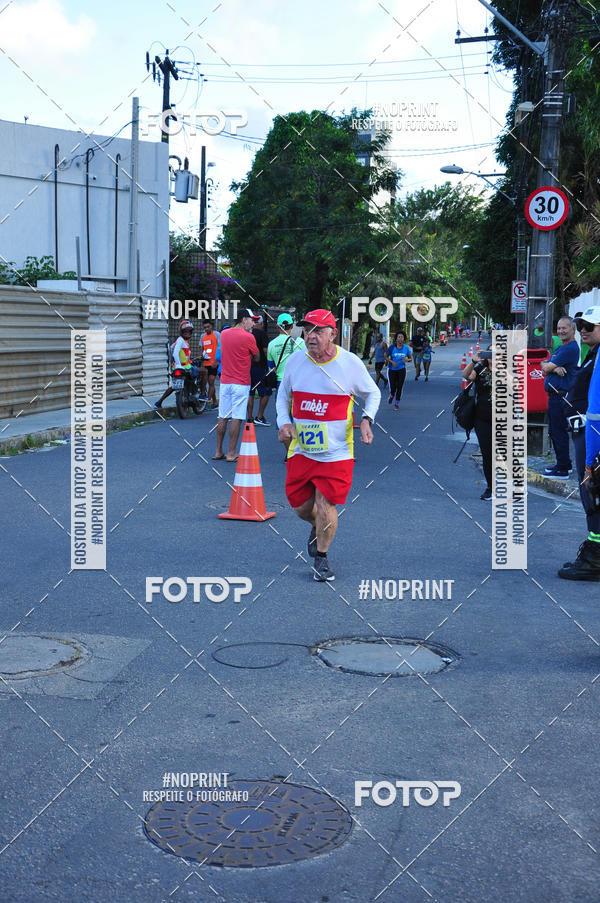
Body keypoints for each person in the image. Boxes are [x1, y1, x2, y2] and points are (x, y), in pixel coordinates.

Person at [276, 309, 380, 582]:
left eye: (318, 331)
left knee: (325, 504)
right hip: (301, 449)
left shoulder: (349, 364)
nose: (310, 336)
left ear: (333, 334)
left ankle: (321, 557)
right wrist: (283, 422)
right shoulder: (296, 362)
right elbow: (282, 396)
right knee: (300, 507)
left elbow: (373, 393)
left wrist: (367, 420)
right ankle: (318, 527)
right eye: (307, 330)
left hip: (336, 453)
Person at [558, 308, 600, 580]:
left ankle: (594, 558)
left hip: (593, 438)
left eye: (589, 326)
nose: (583, 329)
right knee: (592, 495)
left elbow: (595, 409)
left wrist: (591, 458)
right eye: (580, 325)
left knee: (593, 493)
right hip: (586, 435)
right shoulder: (593, 354)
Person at [213, 309, 260, 462]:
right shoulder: (249, 337)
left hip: (225, 382)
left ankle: (218, 451)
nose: (253, 323)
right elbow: (257, 357)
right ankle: (231, 452)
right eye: (252, 320)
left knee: (223, 416)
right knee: (237, 417)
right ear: (244, 319)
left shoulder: (224, 334)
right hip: (241, 383)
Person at [541, 316, 580, 479]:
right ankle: (562, 464)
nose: (561, 331)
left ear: (573, 330)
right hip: (555, 395)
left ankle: (563, 468)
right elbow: (544, 365)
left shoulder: (569, 348)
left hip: (561, 396)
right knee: (555, 431)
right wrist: (554, 368)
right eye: (559, 328)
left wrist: (550, 367)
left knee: (559, 432)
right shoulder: (561, 347)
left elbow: (546, 366)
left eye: (565, 328)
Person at [463, 348, 493, 500]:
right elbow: (466, 376)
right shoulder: (480, 369)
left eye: (497, 354)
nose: (492, 357)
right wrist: (474, 360)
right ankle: (490, 488)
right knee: (487, 455)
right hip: (482, 417)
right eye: (490, 354)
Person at [154, 320, 198, 409]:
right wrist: (179, 364)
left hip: (179, 366)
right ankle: (197, 394)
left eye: (189, 331)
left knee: (174, 386)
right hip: (183, 367)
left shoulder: (182, 341)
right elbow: (175, 353)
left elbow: (181, 355)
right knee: (202, 372)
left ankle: (159, 402)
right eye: (185, 331)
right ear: (181, 332)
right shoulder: (180, 341)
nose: (187, 333)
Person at [247, 314, 272, 426]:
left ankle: (250, 418)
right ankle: (259, 416)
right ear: (261, 324)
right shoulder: (262, 334)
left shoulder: (247, 333)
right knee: (266, 392)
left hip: (247, 368)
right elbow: (266, 351)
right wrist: (269, 364)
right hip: (260, 367)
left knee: (250, 393)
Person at [267, 313, 306, 386]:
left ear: (277, 326)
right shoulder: (300, 342)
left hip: (280, 381)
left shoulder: (271, 344)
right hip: (296, 381)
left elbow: (271, 365)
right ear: (292, 326)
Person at [385, 331, 412, 410]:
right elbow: (385, 356)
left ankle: (396, 403)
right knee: (393, 387)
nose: (400, 339)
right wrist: (392, 362)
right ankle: (391, 395)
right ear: (396, 339)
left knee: (400, 386)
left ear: (404, 339)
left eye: (402, 337)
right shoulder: (392, 347)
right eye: (399, 337)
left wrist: (407, 359)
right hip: (392, 369)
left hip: (401, 370)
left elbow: (410, 359)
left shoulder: (406, 348)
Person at [200, 320, 219, 408]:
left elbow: (221, 347)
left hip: (214, 363)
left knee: (211, 381)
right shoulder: (202, 336)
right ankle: (214, 402)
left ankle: (207, 401)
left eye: (208, 327)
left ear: (212, 326)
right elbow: (201, 348)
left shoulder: (217, 334)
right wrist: (201, 358)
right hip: (206, 363)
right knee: (209, 383)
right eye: (205, 327)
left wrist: (216, 361)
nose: (206, 329)